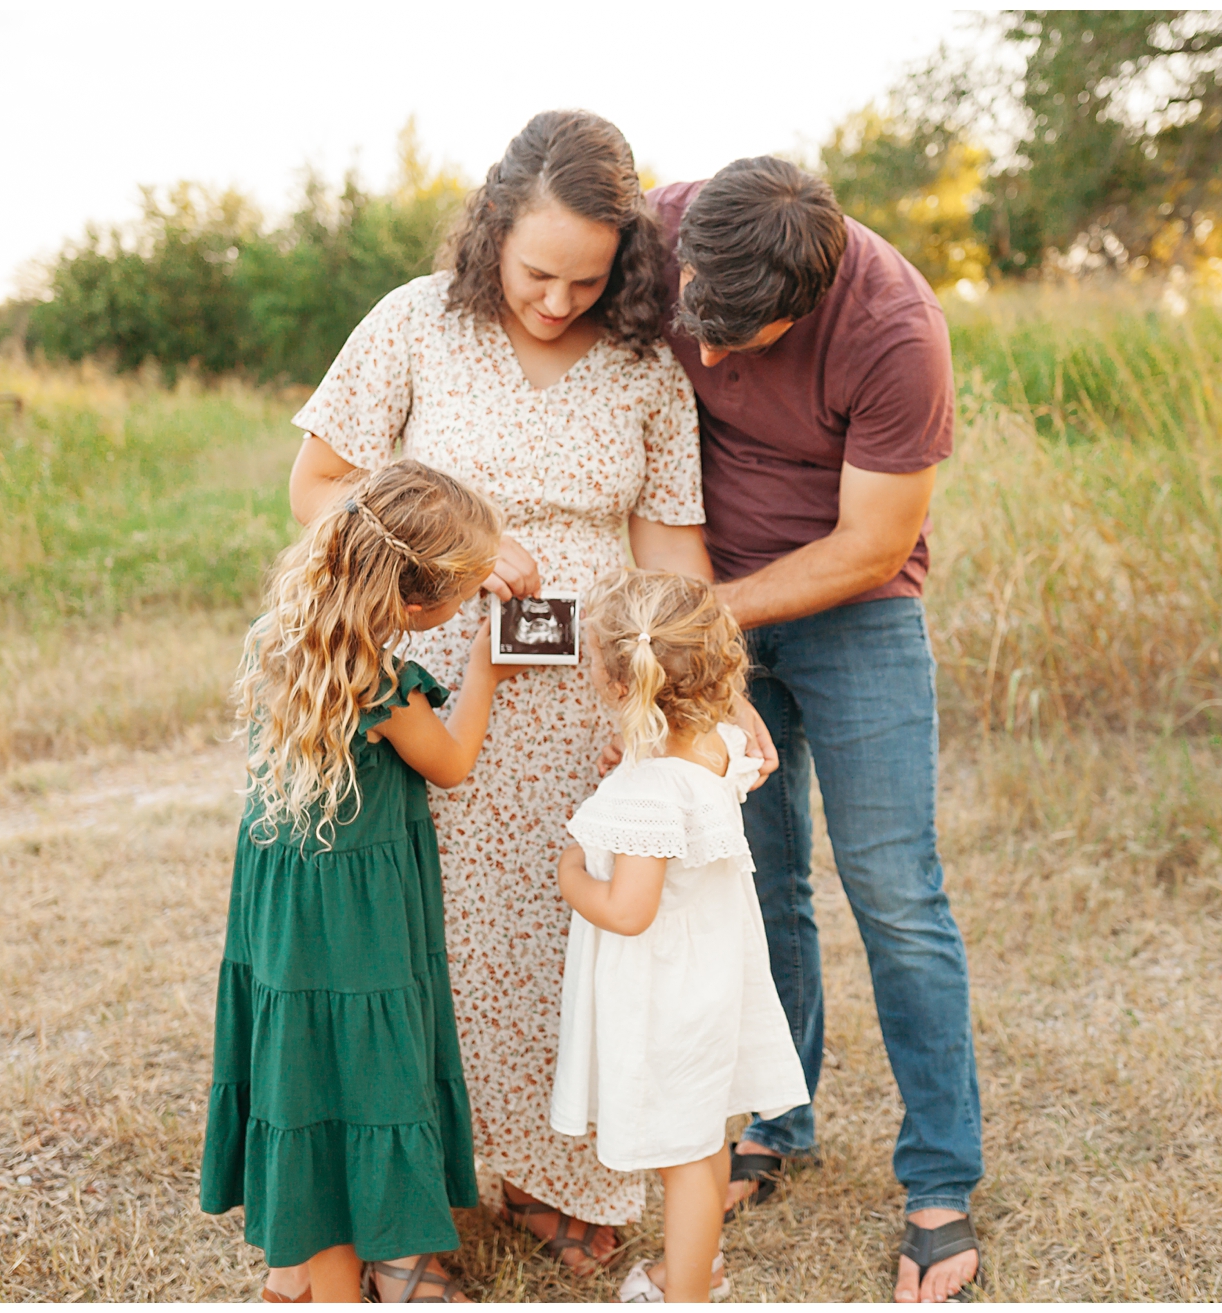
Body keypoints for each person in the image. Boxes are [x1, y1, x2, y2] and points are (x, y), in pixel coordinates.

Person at [285, 110, 773, 1276]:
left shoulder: (646, 361)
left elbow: (669, 541)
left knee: (579, 928)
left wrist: (705, 688)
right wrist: (451, 556)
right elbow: (318, 487)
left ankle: (562, 1175)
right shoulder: (413, 322)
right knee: (440, 938)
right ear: (491, 232)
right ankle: (436, 1198)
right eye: (536, 272)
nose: (558, 300)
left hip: (605, 698)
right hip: (448, 686)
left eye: (587, 279)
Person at [645, 158, 984, 1302]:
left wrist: (699, 618)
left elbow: (870, 546)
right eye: (706, 326)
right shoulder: (666, 224)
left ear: (817, 291)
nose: (722, 360)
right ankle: (782, 1123)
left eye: (752, 339)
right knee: (759, 875)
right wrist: (698, 625)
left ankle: (940, 1182)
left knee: (895, 888)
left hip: (855, 618)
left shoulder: (897, 333)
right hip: (711, 600)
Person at [200, 460, 521, 1303]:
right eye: (462, 590)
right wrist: (487, 667)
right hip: (357, 911)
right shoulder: (381, 681)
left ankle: (290, 1270)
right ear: (417, 605)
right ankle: (342, 1276)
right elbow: (450, 764)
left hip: (284, 898)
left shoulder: (282, 639)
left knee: (298, 1060)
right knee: (355, 1074)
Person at [550, 569, 808, 1303]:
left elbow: (629, 909)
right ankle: (691, 1270)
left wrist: (572, 871)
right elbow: (725, 784)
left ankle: (685, 1292)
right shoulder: (721, 743)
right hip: (710, 974)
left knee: (684, 1154)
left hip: (661, 992)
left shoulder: (646, 788)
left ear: (610, 675)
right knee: (701, 1145)